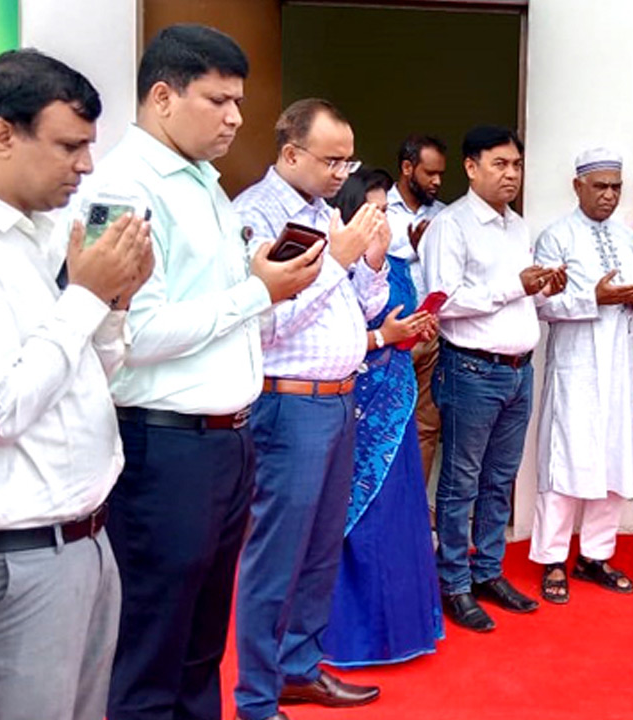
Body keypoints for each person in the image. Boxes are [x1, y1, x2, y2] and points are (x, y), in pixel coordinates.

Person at [82, 25, 322, 720]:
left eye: (238, 101)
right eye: (218, 100)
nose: (236, 118)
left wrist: (262, 284)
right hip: (165, 448)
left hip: (224, 442)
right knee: (151, 651)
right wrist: (256, 293)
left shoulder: (207, 187)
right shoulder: (120, 191)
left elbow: (211, 306)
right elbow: (135, 334)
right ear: (163, 95)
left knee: (198, 650)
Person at [0, 49, 153, 720]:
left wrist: (113, 304)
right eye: (69, 145)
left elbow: (88, 378)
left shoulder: (42, 235)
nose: (86, 165)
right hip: (7, 560)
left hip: (80, 541)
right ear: (2, 135)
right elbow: (2, 408)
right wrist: (86, 296)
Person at [232, 100, 419, 719]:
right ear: (290, 154)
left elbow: (360, 310)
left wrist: (367, 263)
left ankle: (298, 668)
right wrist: (337, 262)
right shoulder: (255, 218)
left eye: (349, 159)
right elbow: (267, 326)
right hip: (288, 405)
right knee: (276, 556)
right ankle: (257, 699)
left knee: (318, 550)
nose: (343, 172)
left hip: (339, 400)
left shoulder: (323, 213)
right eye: (331, 159)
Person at [421, 124, 567, 633]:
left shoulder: (517, 227)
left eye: (517, 165)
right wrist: (513, 286)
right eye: (500, 164)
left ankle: (488, 573)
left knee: (499, 480)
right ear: (471, 167)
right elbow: (442, 302)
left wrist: (544, 287)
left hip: (517, 371)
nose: (511, 175)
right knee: (460, 483)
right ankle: (454, 585)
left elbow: (521, 294)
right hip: (471, 370)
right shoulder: (452, 226)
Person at [323, 167, 445, 667]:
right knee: (355, 515)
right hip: (354, 397)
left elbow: (395, 319)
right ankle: (349, 636)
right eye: (373, 211)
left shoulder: (396, 261)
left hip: (395, 391)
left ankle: (403, 628)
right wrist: (384, 337)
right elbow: (338, 332)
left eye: (386, 211)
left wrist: (418, 328)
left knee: (398, 508)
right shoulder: (332, 264)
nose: (383, 221)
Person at [527, 147, 633, 604]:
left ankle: (596, 555)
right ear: (577, 186)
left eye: (616, 188)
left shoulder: (630, 239)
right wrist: (593, 299)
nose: (609, 196)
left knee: (611, 460)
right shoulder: (555, 238)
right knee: (565, 461)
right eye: (600, 186)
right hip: (575, 369)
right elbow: (540, 306)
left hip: (618, 368)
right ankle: (552, 559)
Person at [386, 136, 449, 482]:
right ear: (407, 168)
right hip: (393, 334)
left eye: (441, 173)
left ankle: (414, 510)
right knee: (385, 422)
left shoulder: (444, 216)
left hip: (431, 333)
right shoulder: (379, 207)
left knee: (426, 425)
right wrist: (413, 248)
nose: (437, 182)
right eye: (429, 173)